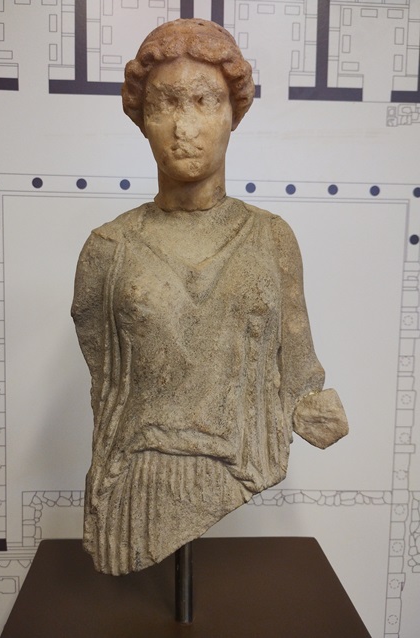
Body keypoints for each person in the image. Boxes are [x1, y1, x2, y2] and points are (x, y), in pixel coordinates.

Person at [72, 19, 348, 576]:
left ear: (233, 113)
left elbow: (299, 374)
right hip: (137, 482)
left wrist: (313, 408)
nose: (185, 127)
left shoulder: (271, 239)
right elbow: (106, 383)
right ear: (141, 119)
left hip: (240, 466)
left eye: (205, 101)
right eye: (165, 105)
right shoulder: (109, 249)